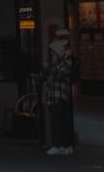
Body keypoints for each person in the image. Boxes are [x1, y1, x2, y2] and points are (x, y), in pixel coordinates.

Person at [41, 27, 77, 156]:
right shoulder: (64, 58)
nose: (51, 54)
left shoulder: (65, 59)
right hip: (60, 94)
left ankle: (60, 145)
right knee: (62, 121)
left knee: (58, 121)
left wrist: (49, 69)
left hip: (59, 95)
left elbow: (58, 74)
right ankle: (65, 145)